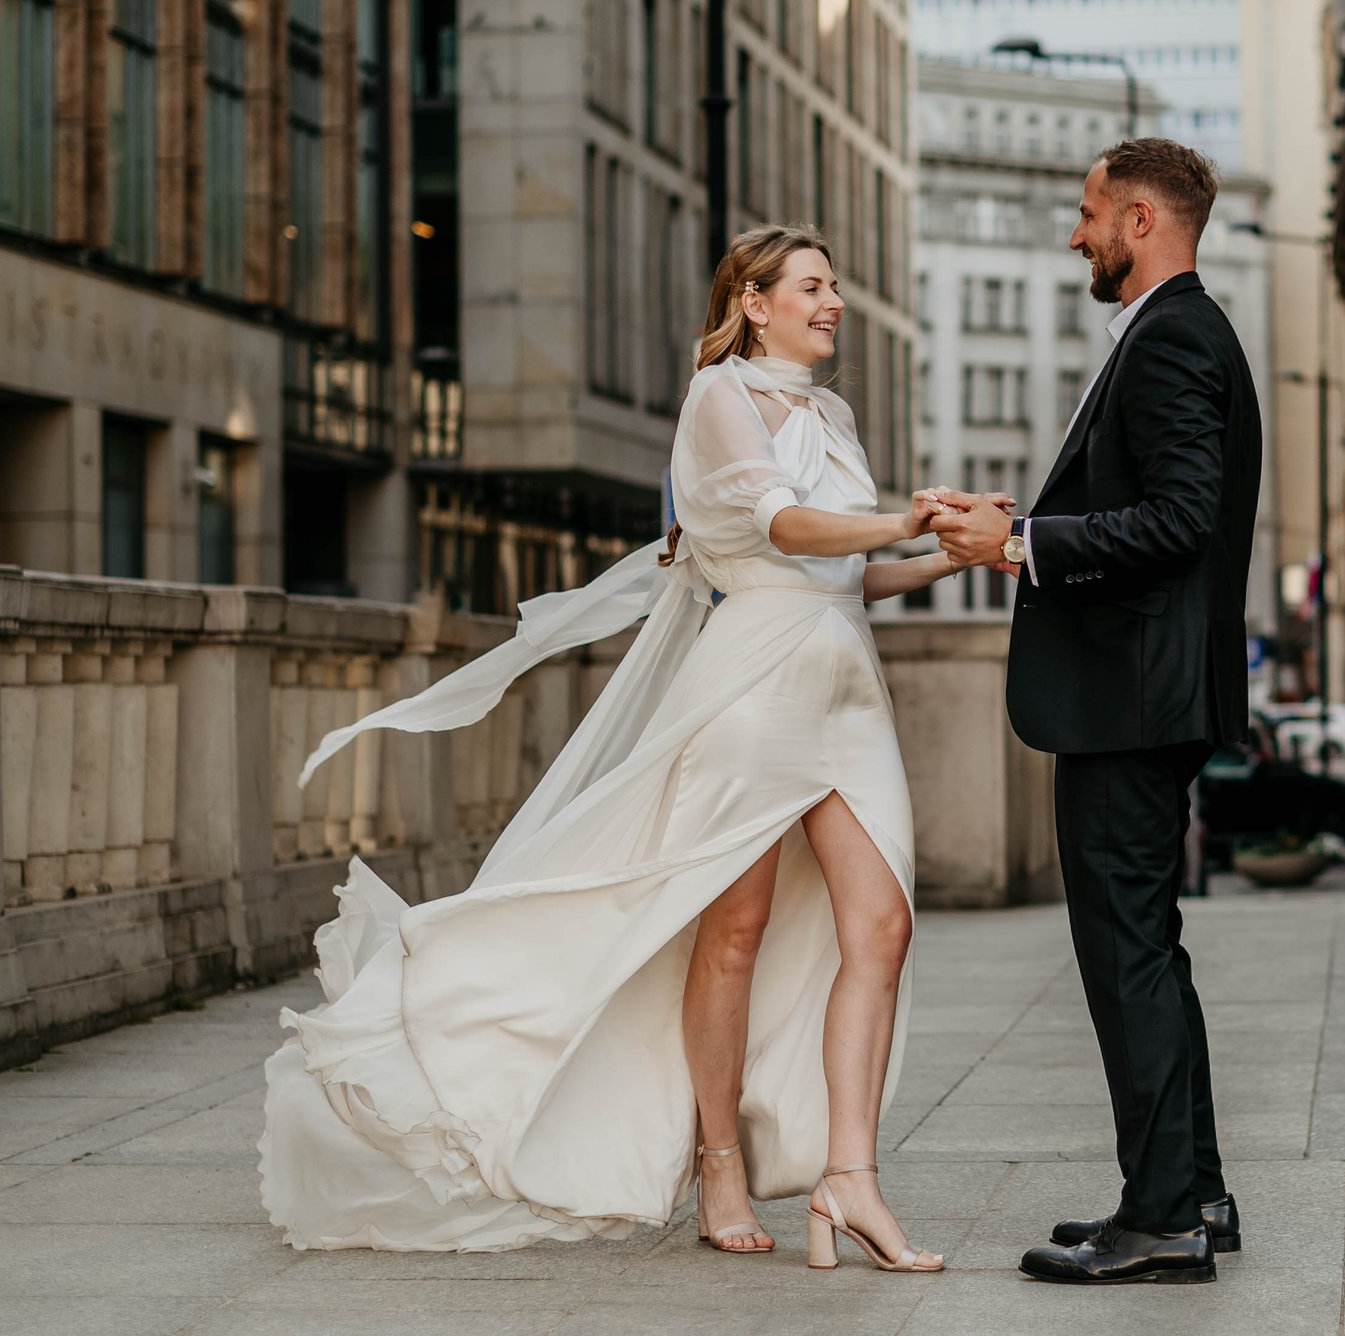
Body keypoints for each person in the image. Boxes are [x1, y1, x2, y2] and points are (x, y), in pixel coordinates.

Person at [261, 225, 991, 1271]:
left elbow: (849, 574)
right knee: (731, 931)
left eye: (836, 287)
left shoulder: (830, 411)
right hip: (752, 686)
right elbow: (783, 529)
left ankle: (850, 1177)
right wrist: (899, 517)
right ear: (752, 299)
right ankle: (720, 1160)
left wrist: (946, 555)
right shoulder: (720, 398)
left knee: (880, 926)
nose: (834, 303)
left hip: (845, 687)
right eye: (814, 286)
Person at [931, 138, 1263, 1287]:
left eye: (1084, 214)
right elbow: (1154, 508)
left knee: (1126, 951)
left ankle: (1164, 1213)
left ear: (1137, 218)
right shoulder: (1182, 332)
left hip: (1132, 700)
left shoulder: (1173, 337)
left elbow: (1177, 518)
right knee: (1149, 949)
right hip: (1144, 691)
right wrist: (1017, 523)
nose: (1073, 233)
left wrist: (1020, 543)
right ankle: (1192, 1191)